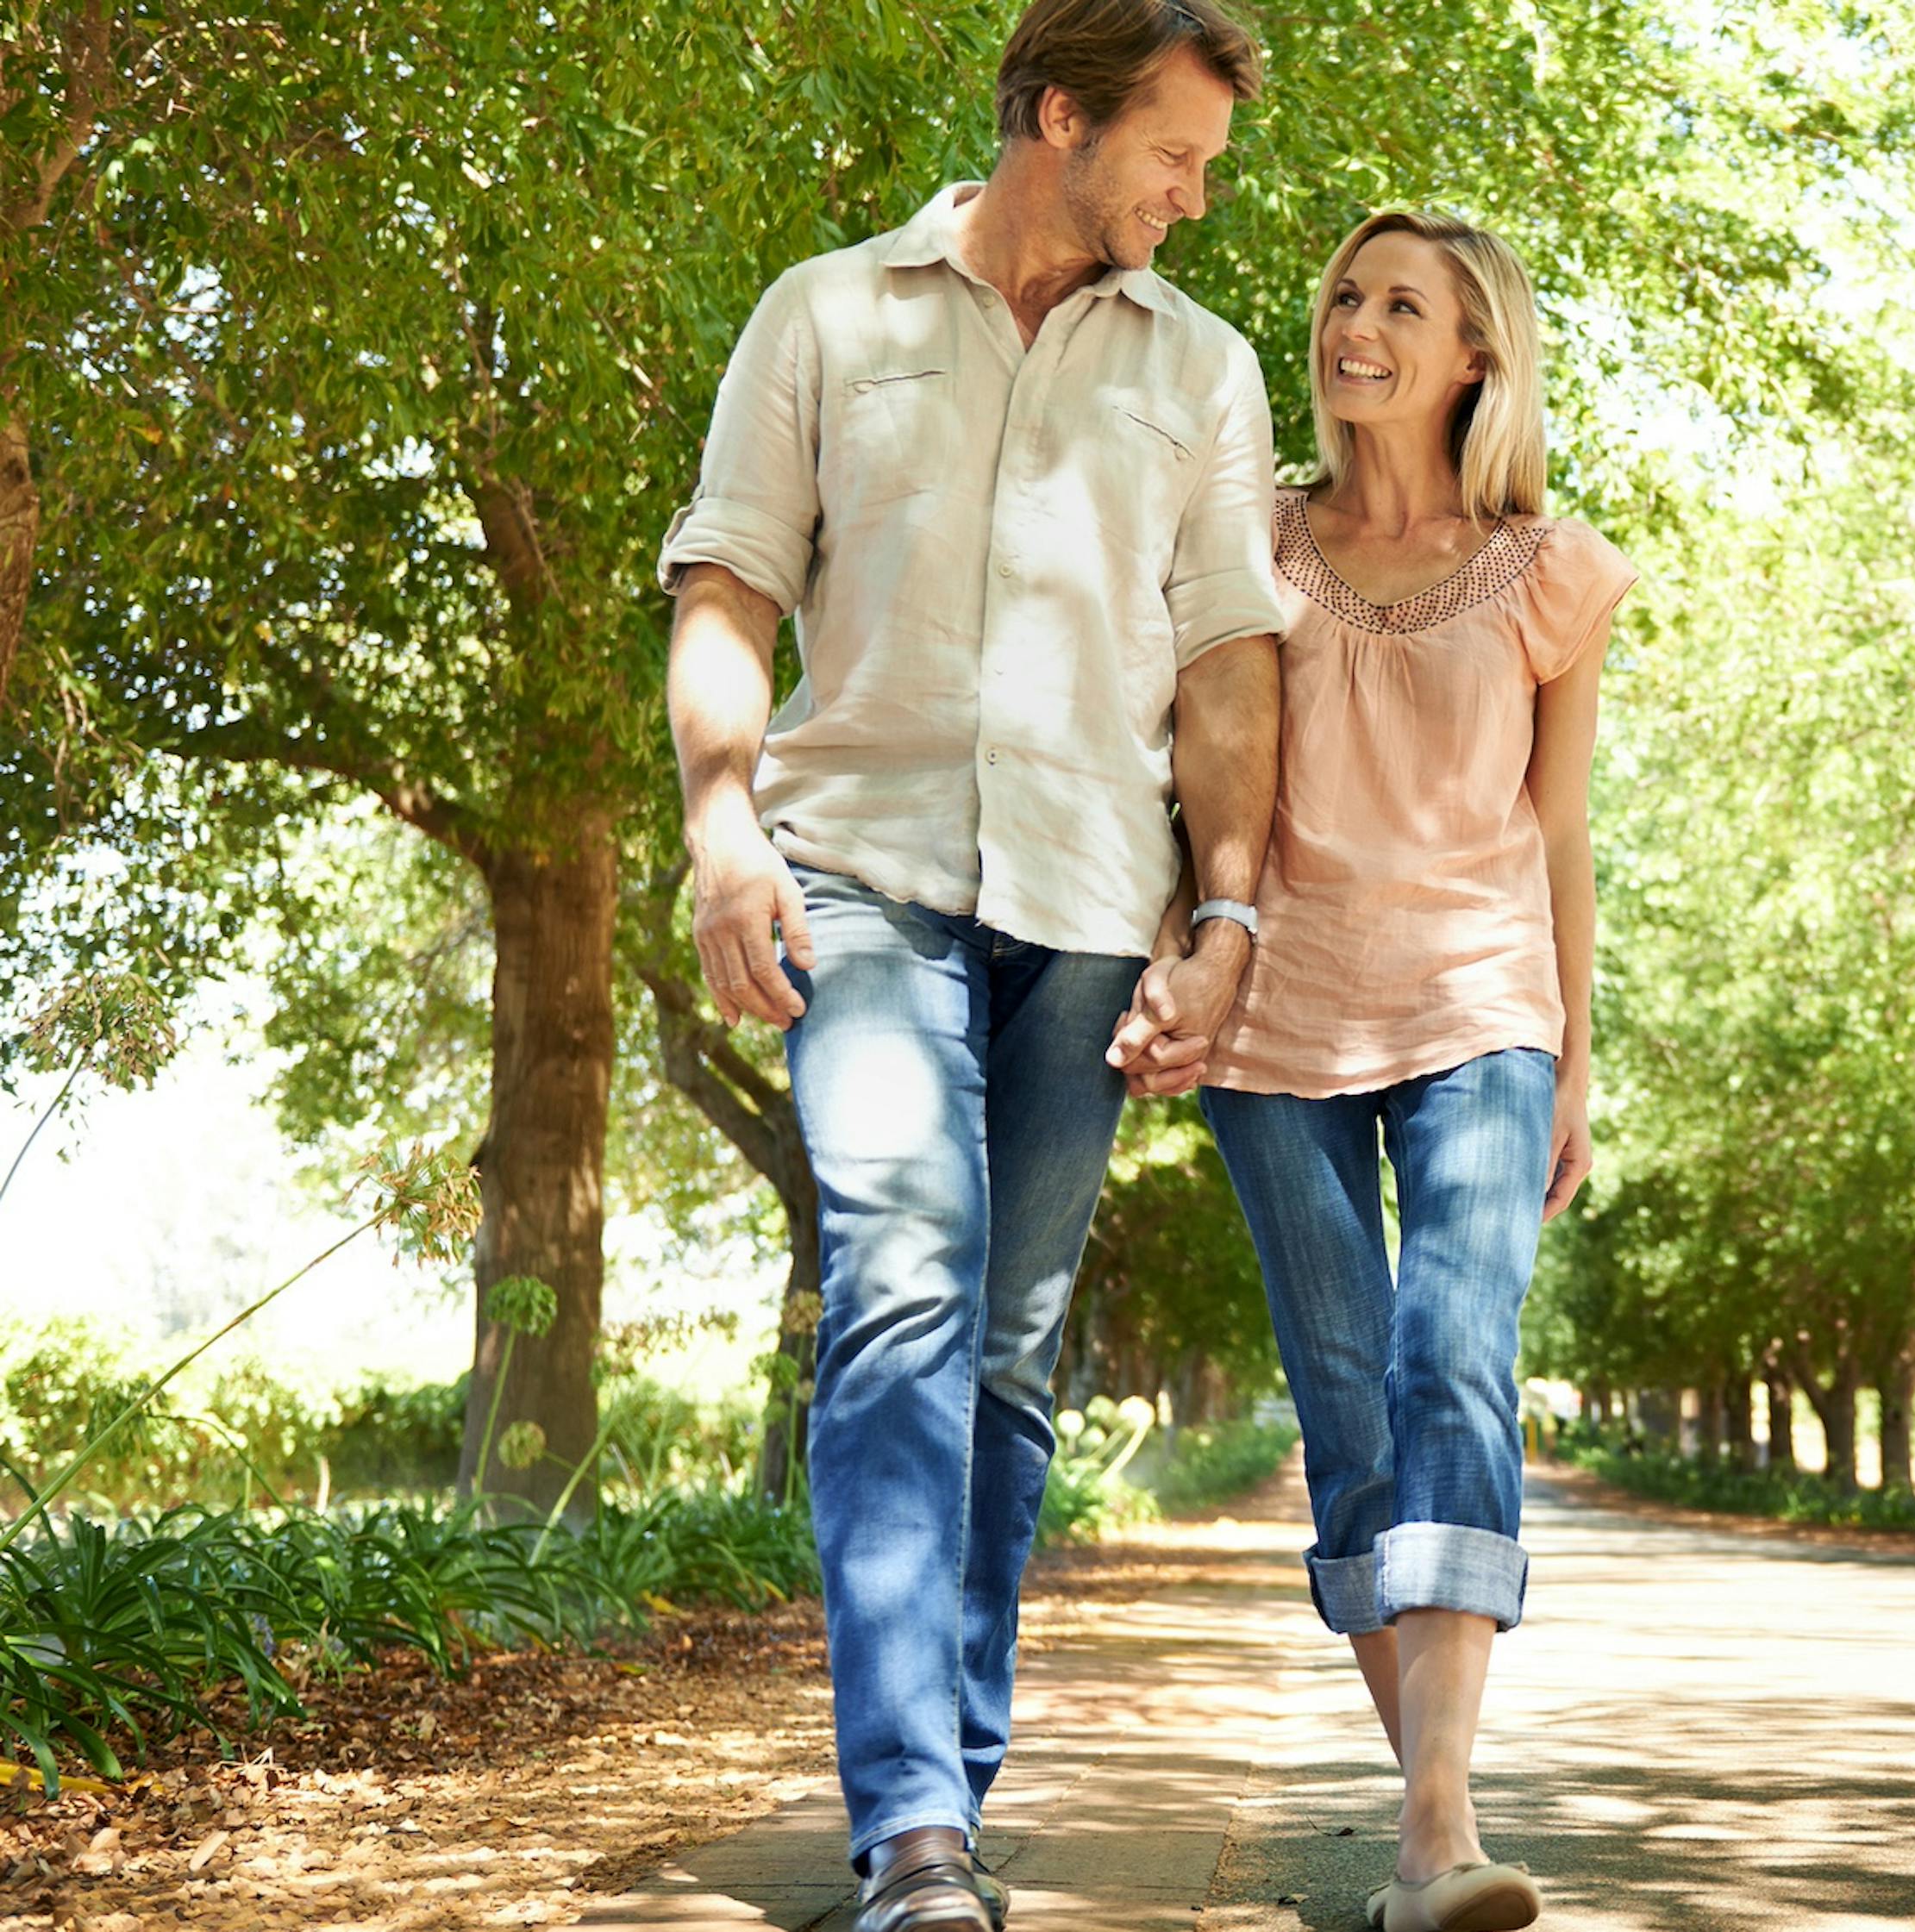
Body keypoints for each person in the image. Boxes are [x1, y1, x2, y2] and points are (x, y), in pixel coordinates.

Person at [654, 3, 1283, 1927]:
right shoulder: (827, 314)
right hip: (865, 870)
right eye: (1173, 155)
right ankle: (912, 1822)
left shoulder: (1207, 368)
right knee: (903, 1291)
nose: (1193, 196)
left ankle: (954, 1768)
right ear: (1059, 115)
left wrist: (1230, 911)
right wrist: (717, 829)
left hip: (1094, 902)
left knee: (1009, 1351)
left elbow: (1227, 667)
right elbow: (729, 586)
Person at [1117, 209, 1633, 1932]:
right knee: (1346, 1392)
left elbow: (1558, 824)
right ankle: (1430, 1828)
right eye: (1348, 293)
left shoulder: (1550, 569)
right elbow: (1192, 770)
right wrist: (1179, 948)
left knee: (1448, 1349)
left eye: (1402, 302)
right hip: (1279, 1020)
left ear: (1475, 354)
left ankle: (1434, 1824)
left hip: (1485, 1002)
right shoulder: (1245, 546)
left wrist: (1575, 1043)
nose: (1357, 322)